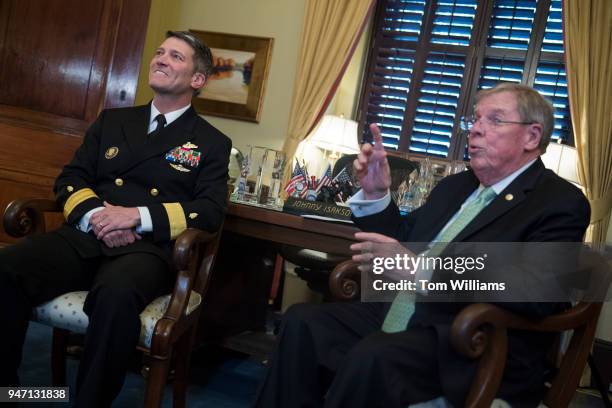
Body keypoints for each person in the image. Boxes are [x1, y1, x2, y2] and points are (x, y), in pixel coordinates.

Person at [254, 83, 590, 407]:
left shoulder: (559, 202)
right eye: (475, 119)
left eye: (495, 120)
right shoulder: (457, 186)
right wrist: (375, 195)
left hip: (471, 340)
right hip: (406, 312)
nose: (475, 129)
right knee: (302, 323)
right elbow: (405, 239)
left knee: (373, 357)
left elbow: (536, 288)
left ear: (532, 136)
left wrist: (423, 271)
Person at [0, 31, 231, 406]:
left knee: (116, 298)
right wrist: (98, 216)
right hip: (86, 235)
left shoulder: (210, 141)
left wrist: (135, 217)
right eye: (159, 52)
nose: (160, 59)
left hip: (145, 251)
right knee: (7, 268)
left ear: (197, 79)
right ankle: (10, 392)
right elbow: (71, 179)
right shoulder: (113, 120)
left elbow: (209, 211)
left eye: (175, 56)